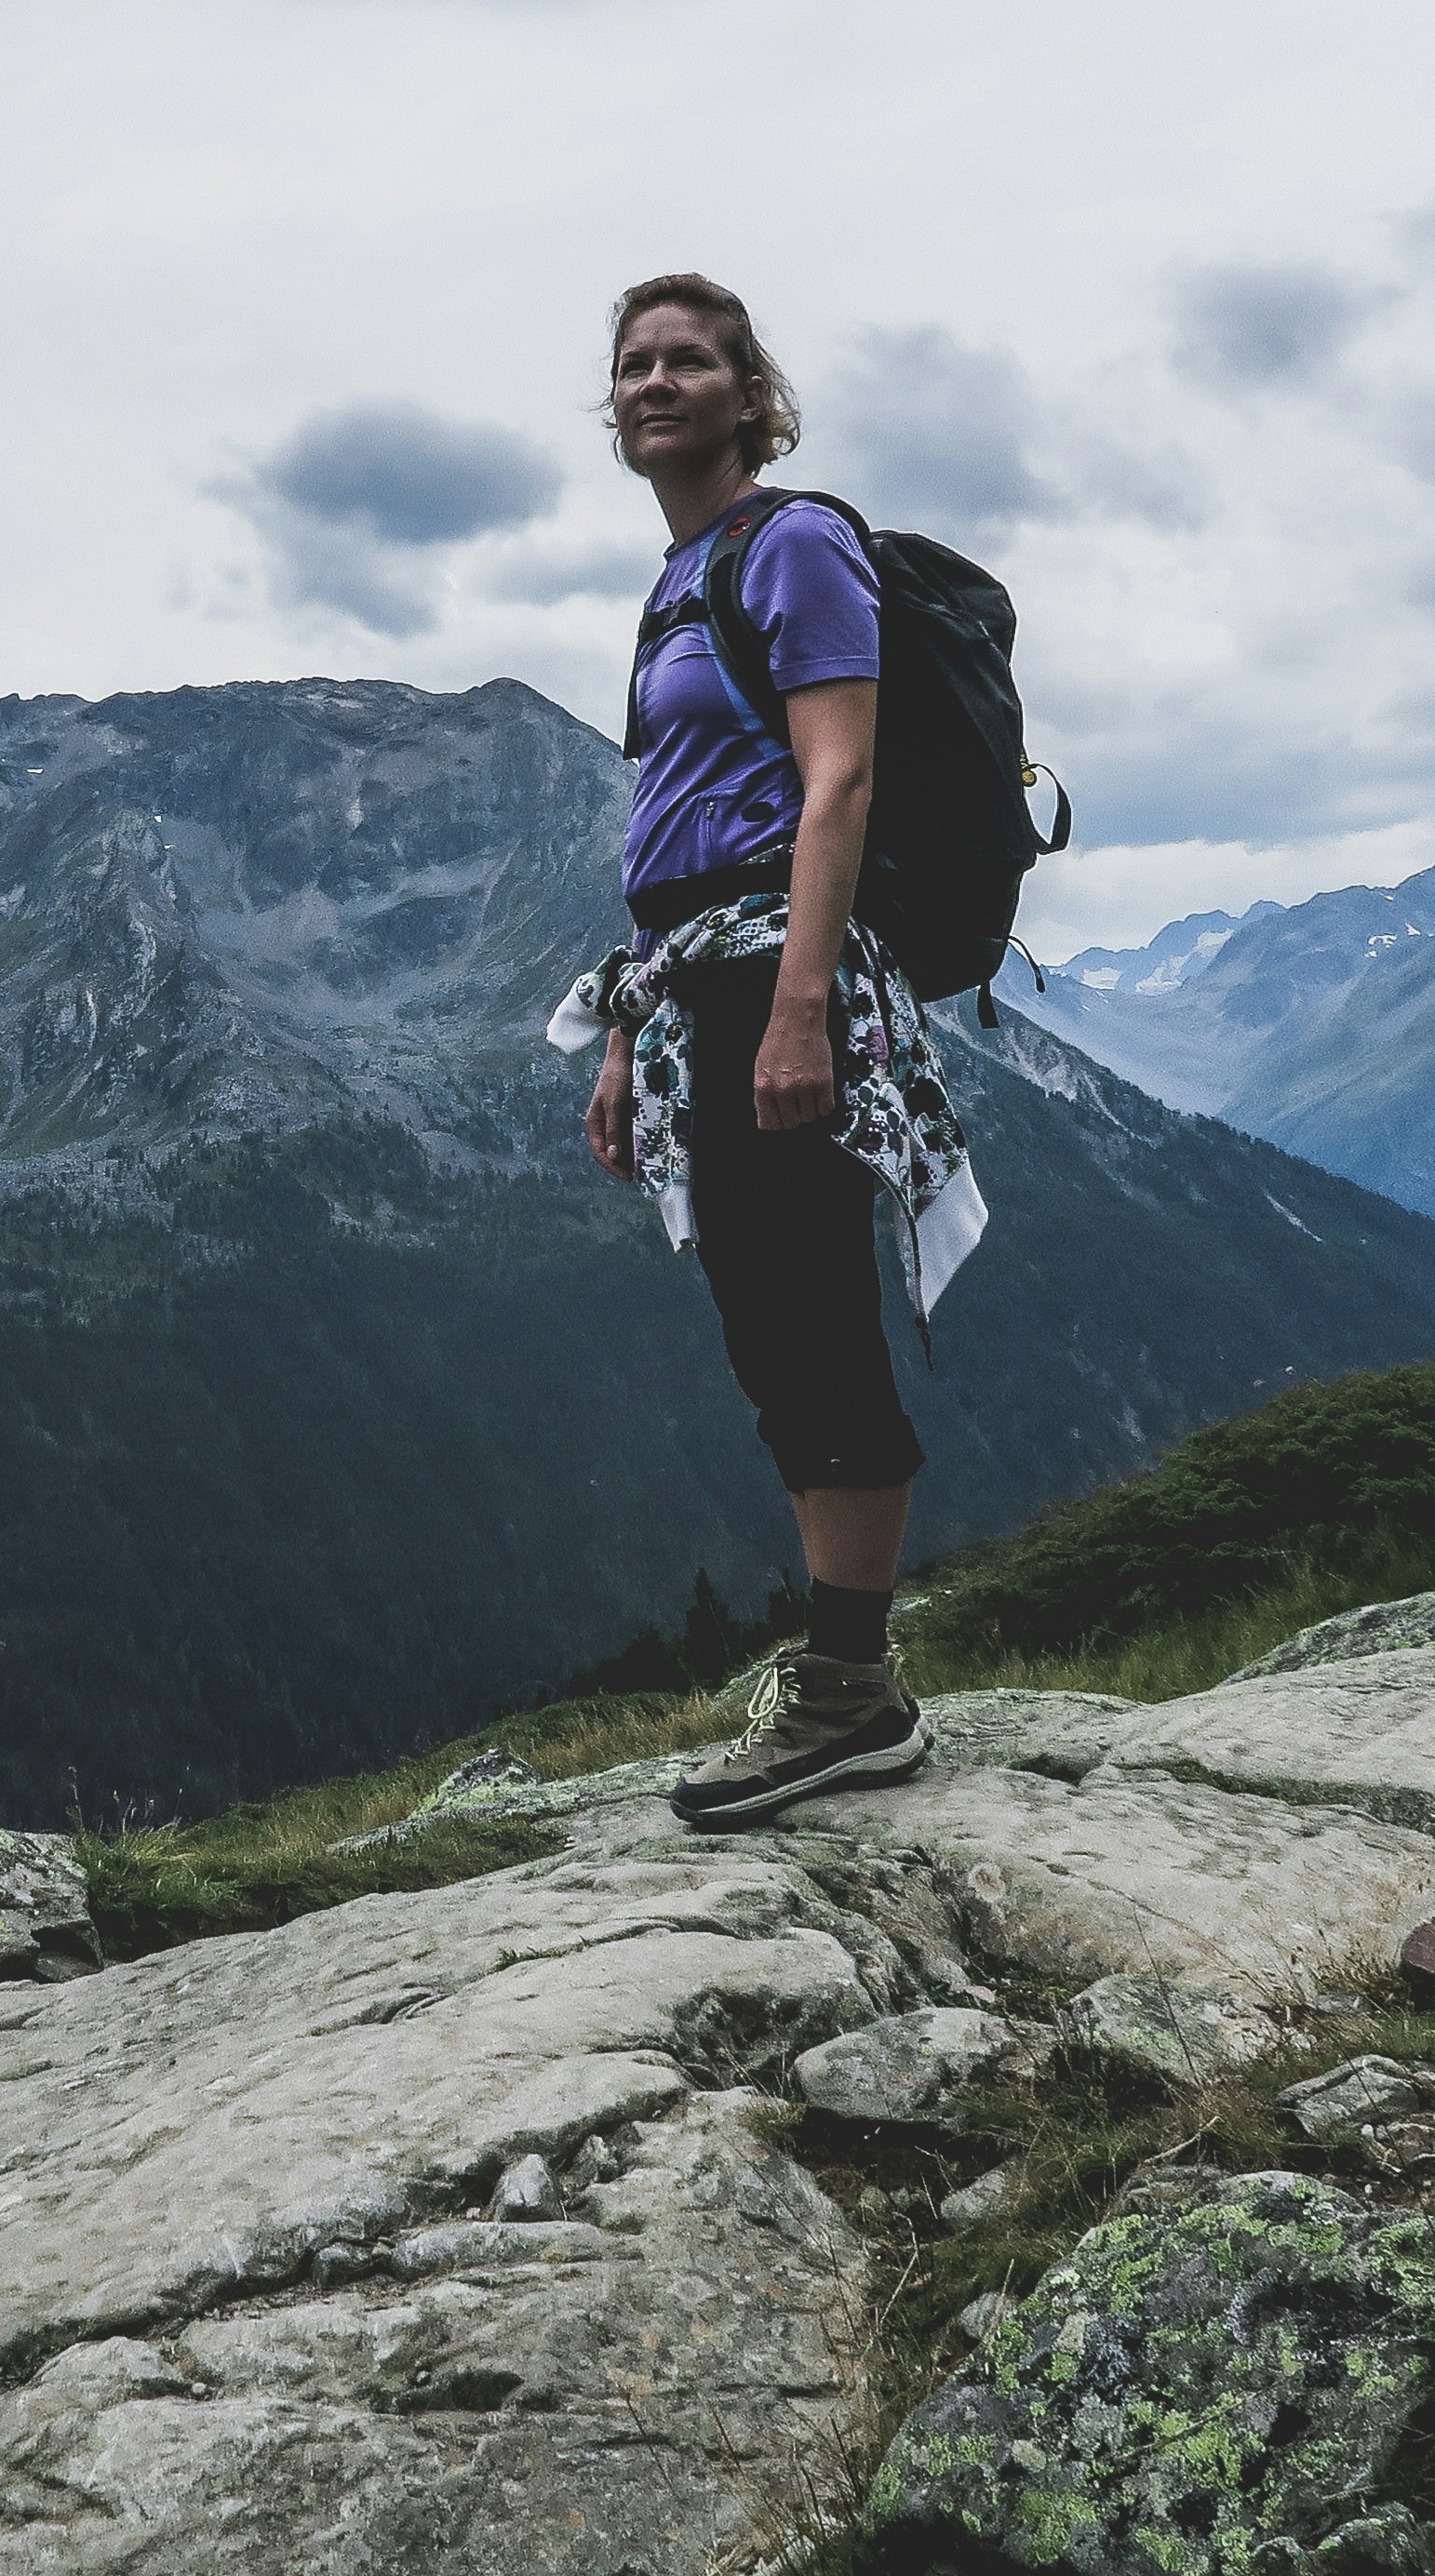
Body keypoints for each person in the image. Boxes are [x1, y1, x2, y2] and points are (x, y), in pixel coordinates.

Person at [557, 270, 973, 1828]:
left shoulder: (791, 545)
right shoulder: (678, 585)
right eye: (634, 365)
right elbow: (673, 835)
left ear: (751, 395)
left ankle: (853, 1687)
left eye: (691, 362)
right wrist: (625, 1037)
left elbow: (839, 783)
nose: (657, 383)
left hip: (773, 978)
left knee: (809, 1311)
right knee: (765, 1324)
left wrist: (799, 1008)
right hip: (697, 984)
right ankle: (846, 1675)